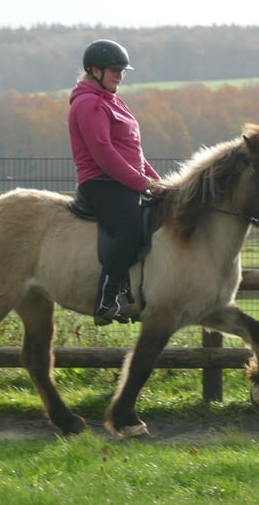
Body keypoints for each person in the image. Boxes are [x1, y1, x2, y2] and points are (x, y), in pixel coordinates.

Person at [68, 39, 160, 326]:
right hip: (101, 182)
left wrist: (158, 183)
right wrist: (140, 182)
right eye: (114, 70)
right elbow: (104, 153)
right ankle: (106, 299)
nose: (120, 75)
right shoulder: (88, 104)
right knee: (129, 227)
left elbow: (134, 151)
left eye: (122, 71)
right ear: (94, 70)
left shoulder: (114, 101)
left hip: (124, 181)